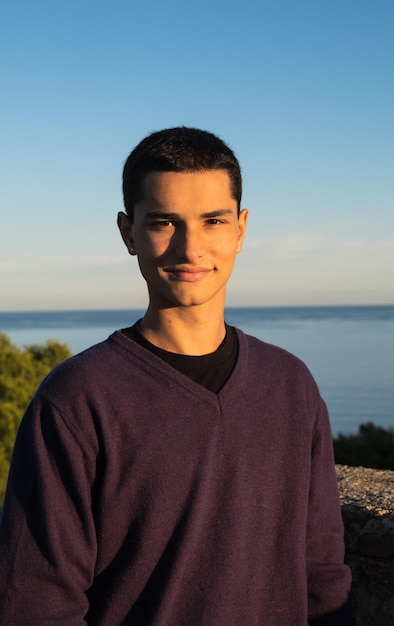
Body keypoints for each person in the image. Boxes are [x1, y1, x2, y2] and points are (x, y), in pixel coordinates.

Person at [0, 127, 355, 625]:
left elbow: (321, 571)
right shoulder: (78, 398)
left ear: (240, 229)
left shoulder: (291, 384)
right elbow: (36, 599)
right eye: (165, 222)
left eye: (213, 221)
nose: (190, 248)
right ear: (128, 233)